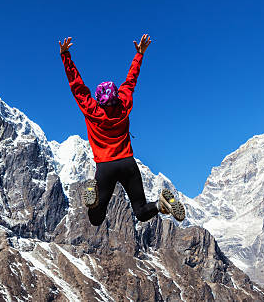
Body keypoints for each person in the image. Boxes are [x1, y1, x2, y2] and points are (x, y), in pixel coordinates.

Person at [59, 34, 185, 226]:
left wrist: (66, 56)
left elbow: (77, 86)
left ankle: (94, 202)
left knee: (96, 219)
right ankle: (161, 205)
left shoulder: (91, 110)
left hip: (105, 166)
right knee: (141, 211)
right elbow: (131, 80)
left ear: (98, 99)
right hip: (127, 163)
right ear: (116, 96)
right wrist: (139, 54)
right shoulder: (124, 105)